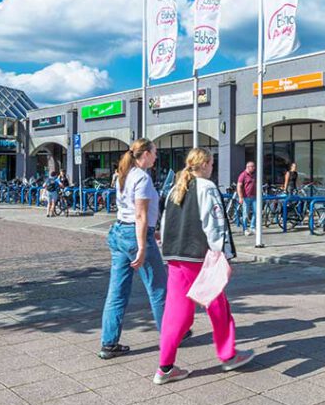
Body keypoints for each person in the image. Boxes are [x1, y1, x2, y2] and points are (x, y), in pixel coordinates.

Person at [156, 148, 253, 384]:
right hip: (198, 257)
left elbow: (166, 223)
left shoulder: (175, 189)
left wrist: (167, 251)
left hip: (175, 257)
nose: (213, 167)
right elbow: (215, 224)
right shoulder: (207, 188)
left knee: (176, 314)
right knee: (218, 306)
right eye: (211, 163)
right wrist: (223, 255)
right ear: (206, 164)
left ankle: (165, 367)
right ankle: (228, 354)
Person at [99, 139, 169, 359]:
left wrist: (150, 229)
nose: (157, 157)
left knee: (117, 292)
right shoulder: (142, 177)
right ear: (145, 154)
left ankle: (109, 343)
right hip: (134, 236)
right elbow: (139, 215)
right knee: (158, 288)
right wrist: (142, 245)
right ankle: (171, 334)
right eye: (155, 153)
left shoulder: (125, 174)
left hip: (119, 233)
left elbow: (129, 211)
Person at [236, 161, 257, 236]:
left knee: (256, 212)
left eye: (254, 166)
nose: (254, 168)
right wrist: (240, 197)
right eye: (252, 166)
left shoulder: (253, 175)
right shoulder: (243, 175)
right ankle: (245, 229)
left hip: (254, 196)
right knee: (245, 213)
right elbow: (239, 186)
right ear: (248, 167)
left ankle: (252, 227)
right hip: (246, 197)